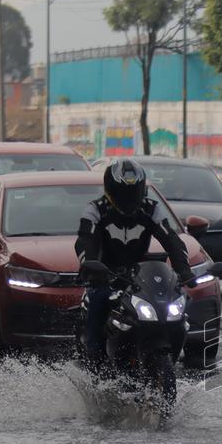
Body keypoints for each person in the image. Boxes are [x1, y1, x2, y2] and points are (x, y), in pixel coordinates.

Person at [76, 158, 196, 369]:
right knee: (98, 302)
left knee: (179, 301)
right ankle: (95, 363)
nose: (129, 198)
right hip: (105, 275)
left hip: (140, 276)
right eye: (123, 192)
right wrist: (91, 267)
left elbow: (172, 240)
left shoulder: (151, 209)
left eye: (133, 192)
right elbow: (85, 241)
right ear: (111, 189)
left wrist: (184, 271)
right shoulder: (96, 209)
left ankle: (180, 347)